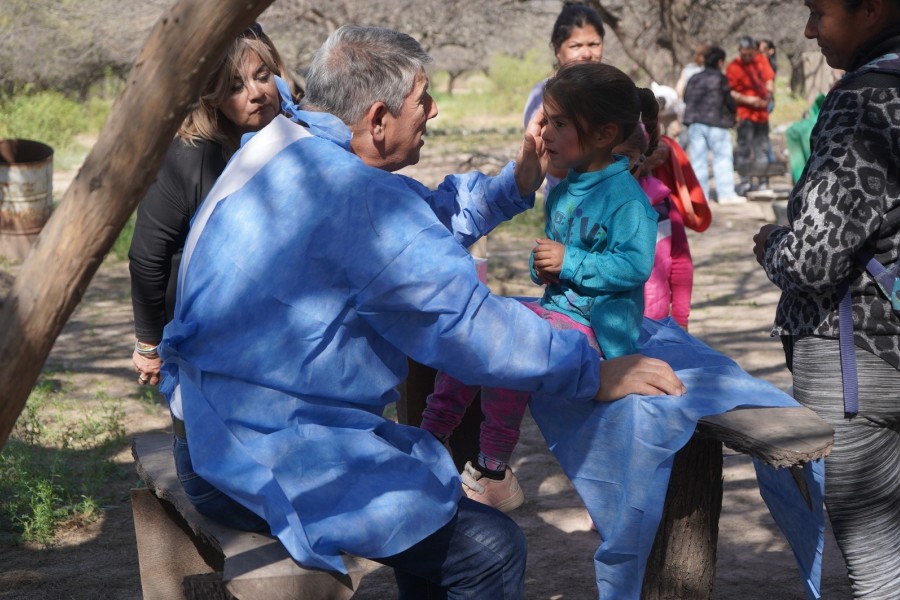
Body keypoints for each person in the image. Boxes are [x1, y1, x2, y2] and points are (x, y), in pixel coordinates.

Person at [158, 25, 685, 598]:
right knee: (488, 549)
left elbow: (416, 226)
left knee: (434, 506)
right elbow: (469, 327)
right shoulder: (357, 197)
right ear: (379, 118)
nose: (432, 112)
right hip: (257, 454)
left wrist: (517, 182)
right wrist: (591, 370)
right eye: (422, 100)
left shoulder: (282, 148)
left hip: (209, 429)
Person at [420, 63, 661, 512]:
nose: (545, 132)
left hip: (599, 329)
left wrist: (569, 261)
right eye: (546, 120)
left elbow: (634, 266)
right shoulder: (564, 190)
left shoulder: (627, 201)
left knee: (517, 350)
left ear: (606, 133)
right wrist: (542, 268)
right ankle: (431, 435)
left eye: (560, 123)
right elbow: (554, 263)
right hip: (558, 311)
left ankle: (493, 470)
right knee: (477, 331)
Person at [753, 0, 900, 597]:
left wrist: (771, 244)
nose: (809, 29)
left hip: (856, 365)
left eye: (818, 10)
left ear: (872, 10)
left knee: (880, 569)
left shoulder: (863, 100)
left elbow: (813, 259)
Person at [129, 23, 288, 389]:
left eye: (262, 77)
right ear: (212, 97)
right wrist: (149, 344)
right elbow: (148, 257)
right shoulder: (188, 159)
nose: (256, 93)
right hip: (200, 338)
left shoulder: (300, 137)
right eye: (235, 87)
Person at [614, 127, 694, 329]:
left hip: (655, 324)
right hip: (606, 326)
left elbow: (681, 261)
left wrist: (680, 320)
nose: (619, 167)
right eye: (612, 158)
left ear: (643, 159)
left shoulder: (662, 202)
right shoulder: (589, 204)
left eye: (626, 158)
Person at [523, 1, 605, 196]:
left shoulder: (614, 89)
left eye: (594, 44)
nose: (587, 53)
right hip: (568, 207)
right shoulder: (543, 96)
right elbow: (553, 163)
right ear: (557, 50)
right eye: (576, 45)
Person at [683, 45, 743, 204]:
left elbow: (685, 97)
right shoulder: (720, 78)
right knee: (722, 159)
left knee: (698, 161)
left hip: (695, 124)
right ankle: (726, 194)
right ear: (720, 62)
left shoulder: (694, 78)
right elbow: (728, 100)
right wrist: (733, 114)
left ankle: (701, 197)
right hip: (717, 124)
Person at [726, 35, 774, 195]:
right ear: (739, 51)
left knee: (762, 147)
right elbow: (731, 92)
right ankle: (745, 181)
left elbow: (769, 80)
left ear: (754, 51)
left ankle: (762, 181)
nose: (748, 57)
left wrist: (768, 95)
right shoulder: (733, 67)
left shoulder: (761, 60)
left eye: (750, 54)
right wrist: (750, 100)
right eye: (744, 54)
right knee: (744, 149)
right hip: (744, 114)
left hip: (761, 114)